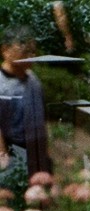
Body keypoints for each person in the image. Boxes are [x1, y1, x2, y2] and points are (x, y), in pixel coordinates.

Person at [0, 25, 47, 185]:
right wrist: (2, 157)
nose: (31, 56)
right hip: (13, 149)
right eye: (25, 51)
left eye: (33, 52)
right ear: (6, 50)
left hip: (37, 151)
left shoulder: (34, 80)